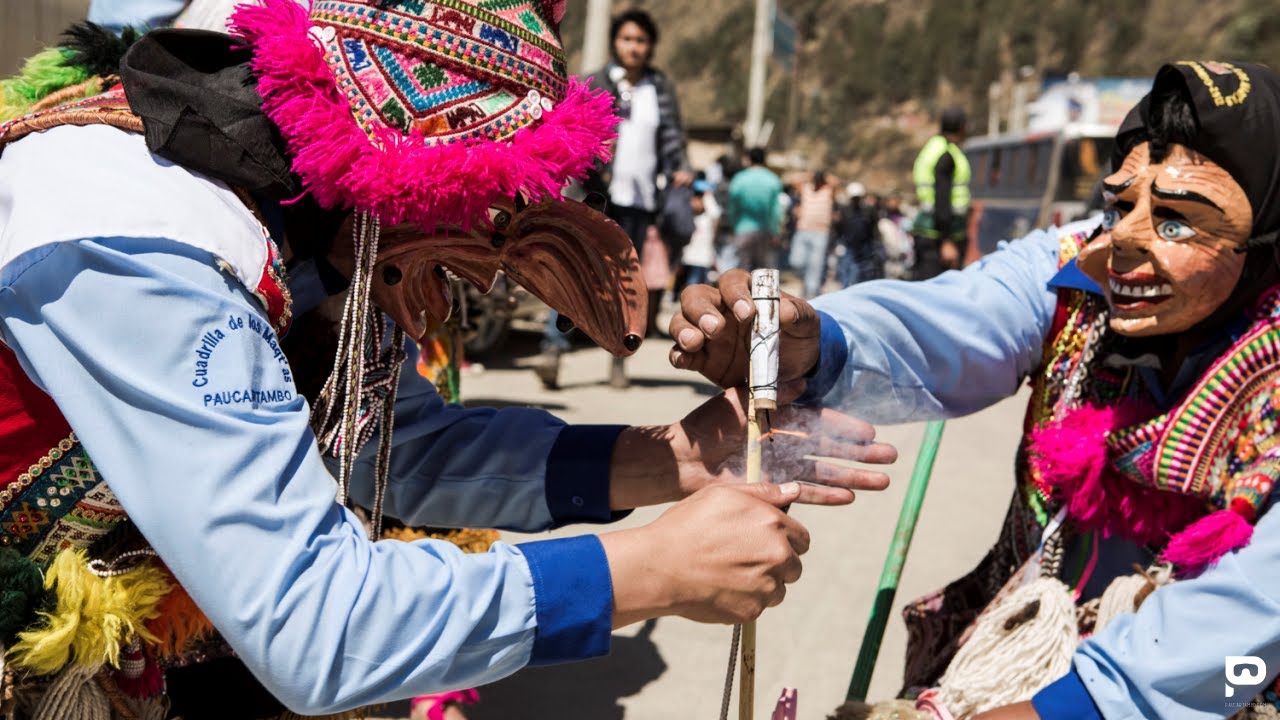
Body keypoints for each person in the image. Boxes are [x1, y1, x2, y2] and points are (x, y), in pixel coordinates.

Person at [0, 3, 899, 718]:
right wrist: (651, 570)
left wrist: (678, 455)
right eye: (475, 224)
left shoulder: (307, 206)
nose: (483, 271)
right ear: (399, 172)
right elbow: (313, 624)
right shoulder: (144, 242)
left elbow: (391, 444)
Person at [671, 61, 1280, 718]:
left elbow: (1247, 617)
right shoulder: (1074, 271)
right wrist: (812, 341)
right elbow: (954, 319)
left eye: (1176, 219)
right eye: (1121, 204)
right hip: (1030, 646)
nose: (1126, 241)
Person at [535, 7, 692, 391]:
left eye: (640, 41)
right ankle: (553, 349)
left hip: (639, 200)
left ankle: (618, 358)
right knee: (575, 269)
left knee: (623, 283)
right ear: (614, 43)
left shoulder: (661, 88)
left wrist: (681, 166)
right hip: (594, 194)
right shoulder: (594, 81)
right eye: (627, 39)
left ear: (650, 46)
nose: (633, 47)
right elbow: (569, 130)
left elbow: (672, 137)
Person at [911, 106, 971, 279]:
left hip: (928, 231)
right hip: (939, 236)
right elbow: (942, 198)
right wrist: (947, 241)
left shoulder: (933, 147)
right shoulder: (946, 154)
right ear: (961, 127)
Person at [724, 147, 784, 271]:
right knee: (763, 272)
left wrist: (733, 225)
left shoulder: (739, 179)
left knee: (743, 270)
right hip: (765, 231)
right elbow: (776, 210)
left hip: (743, 229)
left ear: (749, 160)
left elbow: (733, 206)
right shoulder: (773, 180)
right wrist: (776, 232)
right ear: (765, 160)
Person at [789, 170, 836, 298]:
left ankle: (811, 295)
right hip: (803, 231)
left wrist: (824, 177)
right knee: (796, 262)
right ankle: (807, 285)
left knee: (815, 266)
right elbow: (792, 179)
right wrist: (809, 175)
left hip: (821, 233)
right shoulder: (806, 188)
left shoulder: (828, 190)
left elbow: (836, 181)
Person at [834, 181, 880, 287]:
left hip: (864, 248)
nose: (856, 200)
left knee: (861, 275)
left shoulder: (869, 211)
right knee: (846, 274)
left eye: (857, 198)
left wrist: (874, 246)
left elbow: (873, 229)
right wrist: (839, 243)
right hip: (848, 247)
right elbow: (839, 229)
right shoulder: (844, 211)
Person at [680, 178, 720, 290]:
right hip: (686, 258)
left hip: (702, 260)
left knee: (697, 288)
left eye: (699, 198)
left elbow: (716, 214)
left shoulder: (707, 218)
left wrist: (708, 196)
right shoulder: (688, 216)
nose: (695, 201)